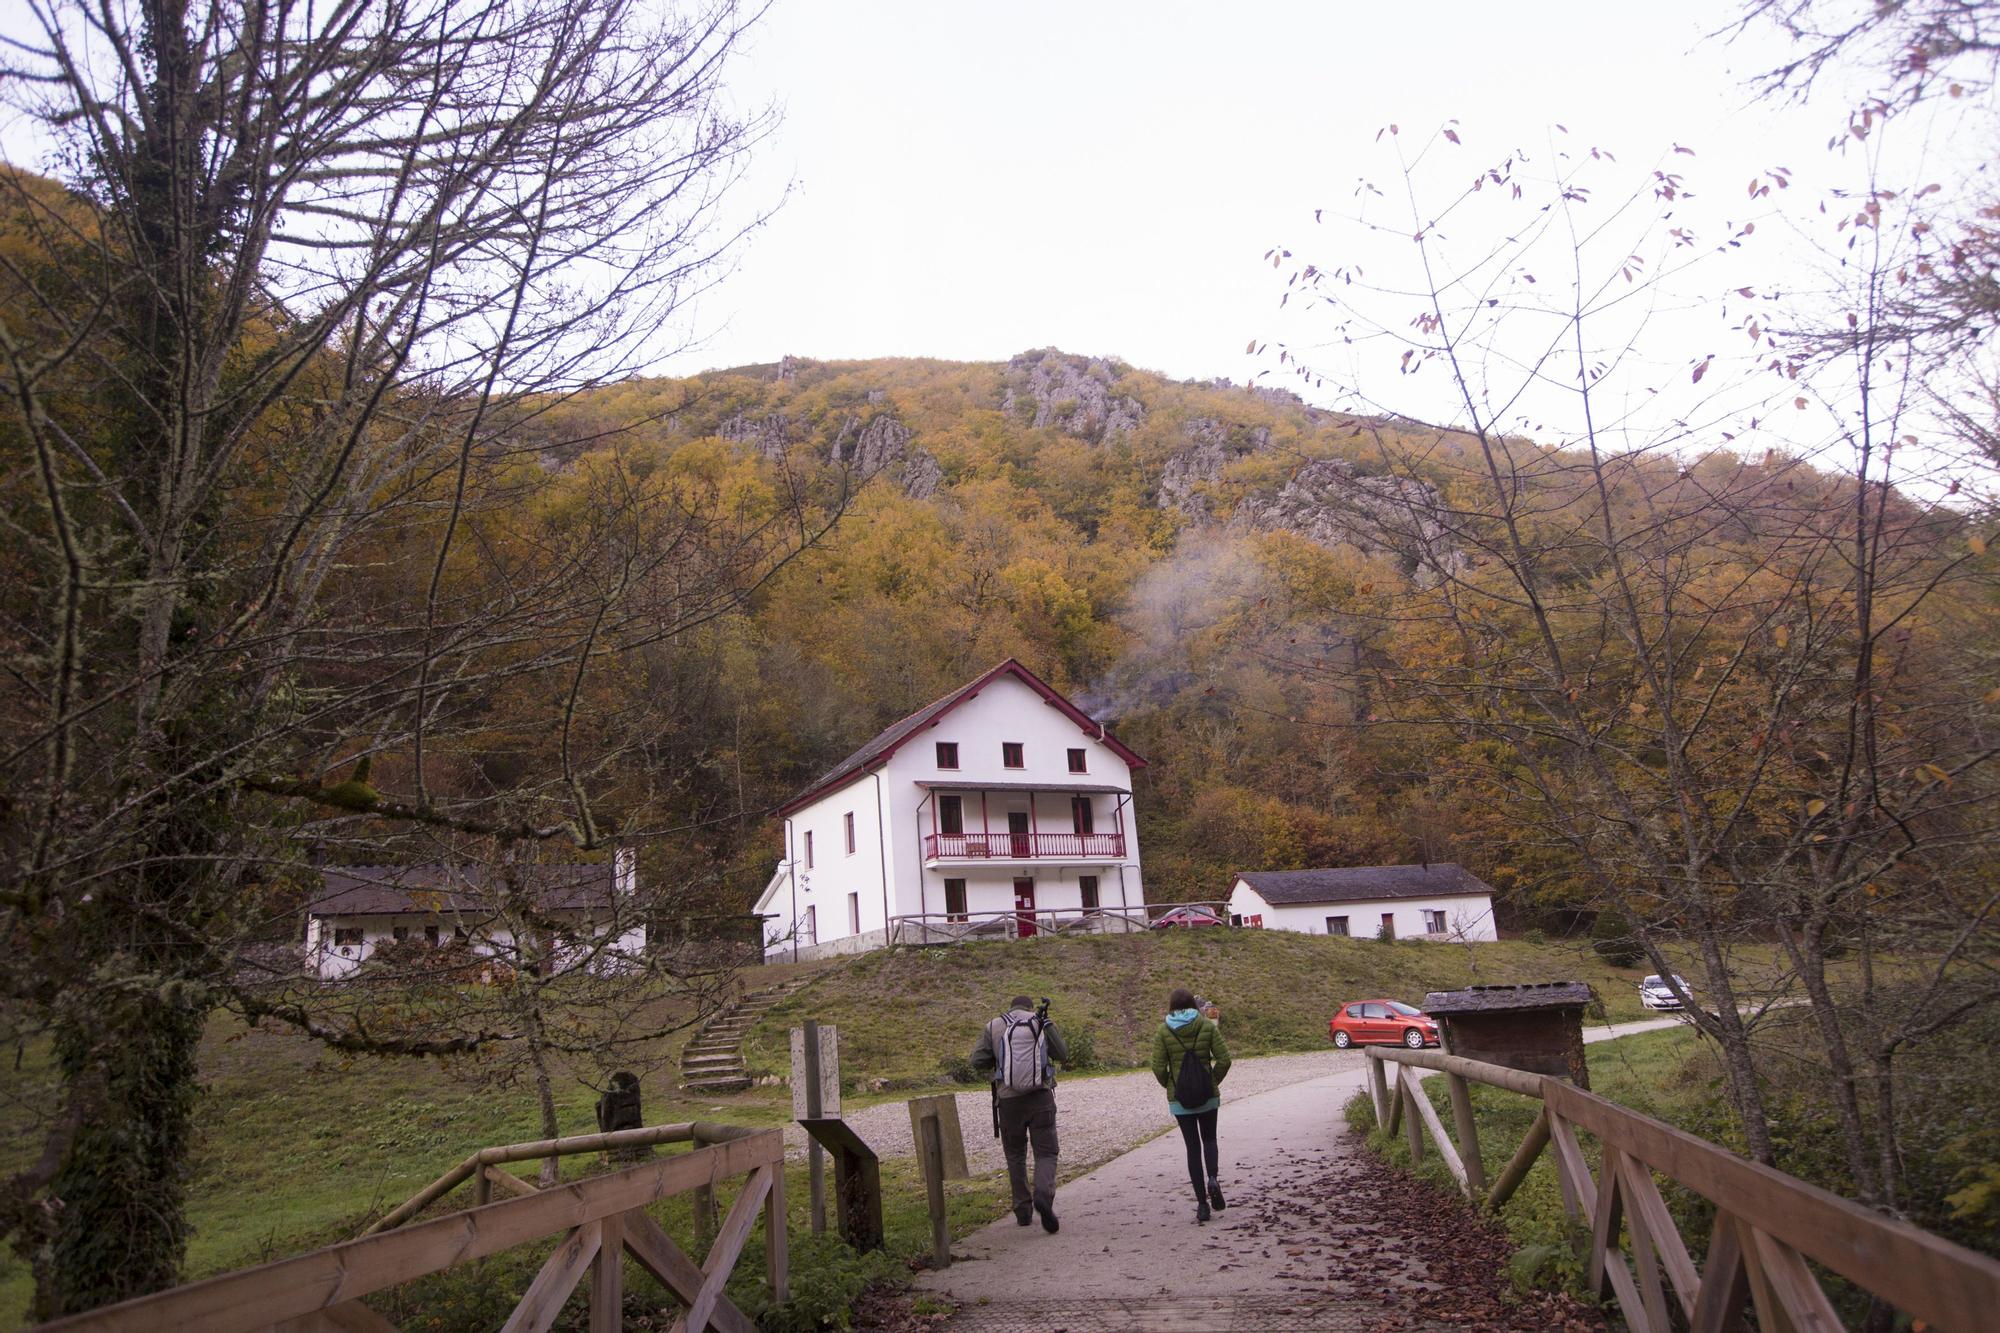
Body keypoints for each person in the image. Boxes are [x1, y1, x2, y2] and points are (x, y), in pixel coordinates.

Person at [970, 994, 1070, 1232]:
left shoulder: (994, 1025)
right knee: (1046, 1152)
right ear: (1029, 1007)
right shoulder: (1040, 1021)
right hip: (1041, 1097)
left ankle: (1023, 1211)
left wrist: (998, 1061)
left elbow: (976, 1061)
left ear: (1010, 1006)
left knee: (1015, 1154)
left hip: (1008, 1100)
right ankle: (1043, 1195)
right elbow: (1062, 1053)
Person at [1151, 986, 1232, 1223]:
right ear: (1194, 1006)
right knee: (1210, 1139)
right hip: (1207, 1096)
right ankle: (1214, 1179)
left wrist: (1171, 1085)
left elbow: (1157, 1067)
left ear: (1171, 1007)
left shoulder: (1163, 1031)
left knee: (1192, 1148)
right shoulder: (1206, 1025)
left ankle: (1201, 1204)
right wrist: (1212, 1080)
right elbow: (1225, 1059)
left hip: (1181, 1100)